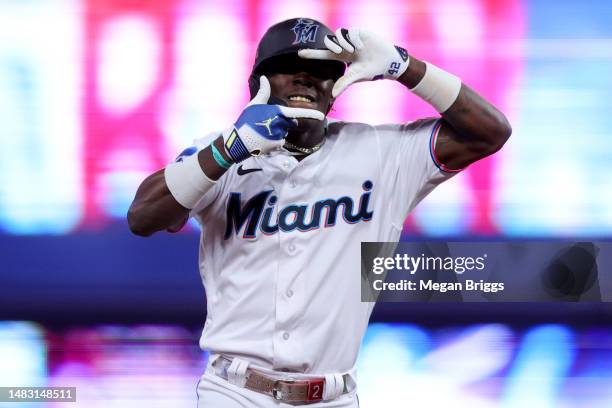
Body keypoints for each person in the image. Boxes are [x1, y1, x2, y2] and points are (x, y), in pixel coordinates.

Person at [128, 17, 511, 407]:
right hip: (235, 392)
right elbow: (143, 216)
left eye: (321, 70)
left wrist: (403, 66)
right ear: (258, 84)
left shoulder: (381, 153)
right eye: (288, 68)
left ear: (335, 89)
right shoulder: (220, 153)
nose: (305, 78)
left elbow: (490, 132)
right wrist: (231, 148)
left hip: (333, 396)